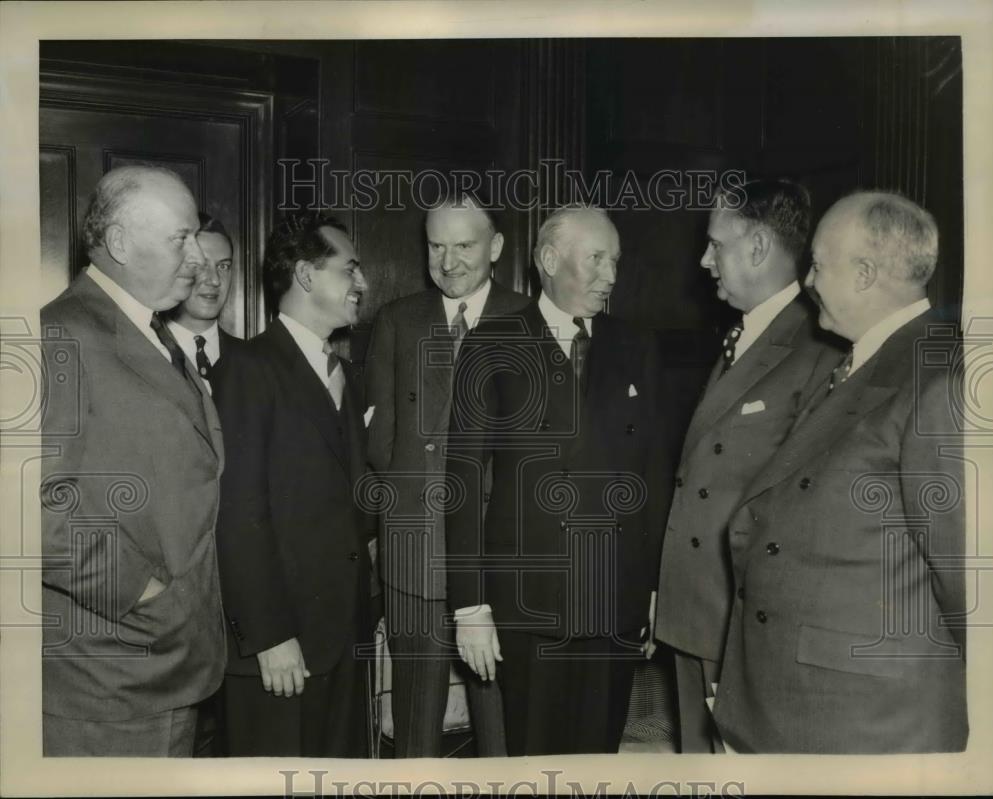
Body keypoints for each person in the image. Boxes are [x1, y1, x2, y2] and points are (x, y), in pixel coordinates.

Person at [712, 191, 967, 753]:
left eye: (820, 266)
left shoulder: (939, 379)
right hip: (799, 703)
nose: (807, 281)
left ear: (866, 274)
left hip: (865, 721)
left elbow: (970, 586)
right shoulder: (859, 361)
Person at [444, 205, 671, 755]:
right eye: (596, 259)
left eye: (615, 261)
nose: (610, 276)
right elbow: (464, 482)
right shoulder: (493, 343)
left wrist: (656, 590)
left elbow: (655, 475)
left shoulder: (636, 346)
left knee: (599, 757)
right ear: (549, 259)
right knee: (533, 759)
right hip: (528, 605)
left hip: (614, 599)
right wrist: (470, 607)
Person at [650, 179, 842, 752]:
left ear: (757, 247)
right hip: (699, 607)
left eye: (716, 245)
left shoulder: (819, 347)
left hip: (744, 620)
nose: (704, 260)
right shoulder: (743, 333)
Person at [40, 165, 225, 756]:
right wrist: (142, 591)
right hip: (111, 679)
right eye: (181, 238)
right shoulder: (58, 336)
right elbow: (26, 510)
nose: (198, 256)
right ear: (120, 243)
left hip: (160, 664)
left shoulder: (149, 330)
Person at [365, 194, 524, 757]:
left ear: (497, 248)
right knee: (415, 732)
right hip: (415, 556)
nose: (449, 261)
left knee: (501, 731)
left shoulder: (529, 320)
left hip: (498, 560)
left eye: (464, 245)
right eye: (437, 246)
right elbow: (380, 445)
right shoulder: (397, 320)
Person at [213, 212, 372, 757]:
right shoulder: (246, 369)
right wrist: (269, 635)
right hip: (279, 651)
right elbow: (236, 513)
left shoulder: (345, 373)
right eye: (350, 268)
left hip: (340, 641)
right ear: (306, 275)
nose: (362, 283)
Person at [167, 213, 242, 391]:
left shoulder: (256, 361)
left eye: (223, 266)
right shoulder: (146, 351)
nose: (215, 280)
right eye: (201, 265)